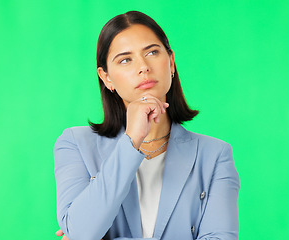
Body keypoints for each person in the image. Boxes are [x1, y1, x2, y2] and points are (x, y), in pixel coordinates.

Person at [54, 11, 240, 240]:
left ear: (171, 62)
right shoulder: (75, 144)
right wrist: (132, 139)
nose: (143, 67)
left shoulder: (214, 155)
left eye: (152, 52)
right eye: (125, 59)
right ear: (106, 78)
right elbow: (81, 231)